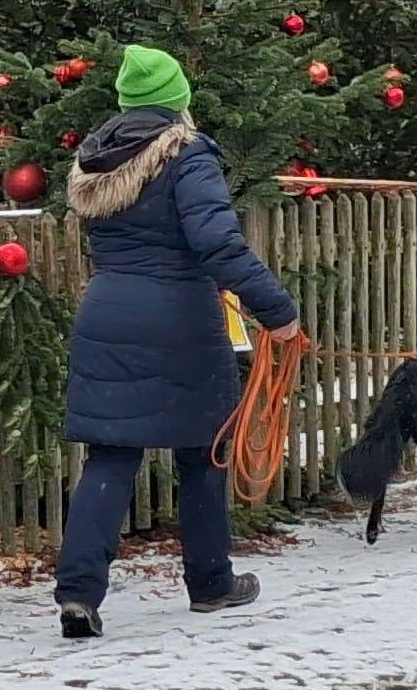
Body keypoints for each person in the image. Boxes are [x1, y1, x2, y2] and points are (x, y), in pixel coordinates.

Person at [54, 44, 299, 639]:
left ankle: (78, 595)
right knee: (204, 451)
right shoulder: (188, 155)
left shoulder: (97, 158)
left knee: (111, 455)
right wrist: (278, 312)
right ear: (178, 99)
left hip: (107, 314)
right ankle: (211, 583)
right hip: (180, 321)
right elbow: (218, 245)